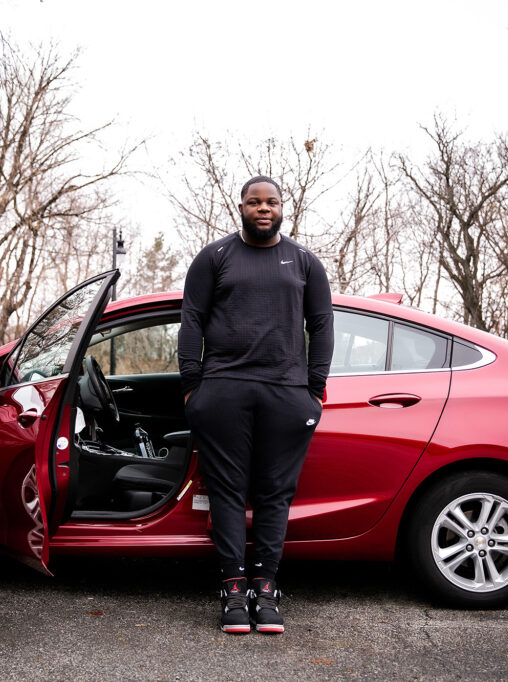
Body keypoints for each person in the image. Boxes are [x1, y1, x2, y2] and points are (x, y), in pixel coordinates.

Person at [178, 175, 334, 634]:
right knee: (225, 492)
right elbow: (191, 320)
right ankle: (231, 590)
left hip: (286, 393)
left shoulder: (304, 261)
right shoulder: (215, 257)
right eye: (254, 202)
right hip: (223, 388)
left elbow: (322, 326)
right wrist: (193, 386)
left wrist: (315, 388)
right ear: (241, 206)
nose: (263, 208)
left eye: (271, 202)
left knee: (274, 494)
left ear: (283, 208)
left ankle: (265, 590)